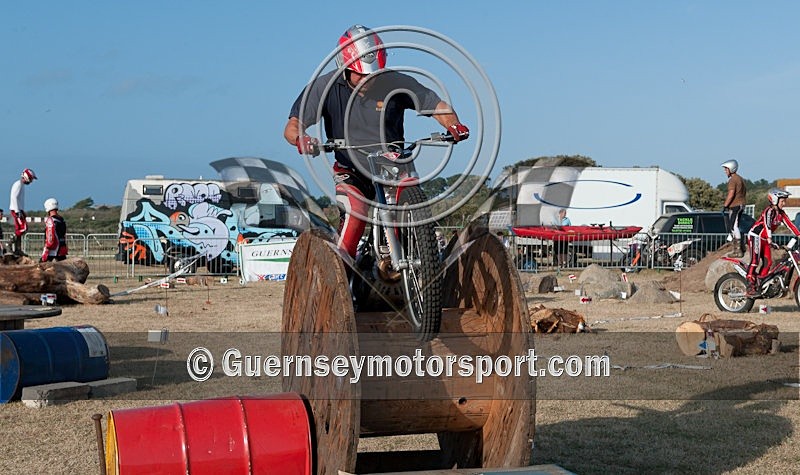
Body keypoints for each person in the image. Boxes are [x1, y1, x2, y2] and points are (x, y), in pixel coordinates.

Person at [284, 24, 469, 259]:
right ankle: (343, 274)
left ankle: (422, 265)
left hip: (393, 164)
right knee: (355, 215)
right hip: (351, 170)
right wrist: (302, 139)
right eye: (360, 74)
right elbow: (292, 126)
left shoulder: (396, 82)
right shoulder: (323, 87)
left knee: (415, 207)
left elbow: (437, 106)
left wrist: (453, 124)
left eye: (373, 73)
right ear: (345, 67)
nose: (367, 80)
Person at [745, 188, 800, 296]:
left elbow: (790, 225)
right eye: (782, 201)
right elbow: (767, 224)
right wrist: (770, 239)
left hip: (765, 240)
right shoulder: (769, 211)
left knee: (768, 263)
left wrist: (799, 234)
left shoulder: (781, 214)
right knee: (755, 261)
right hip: (756, 236)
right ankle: (750, 285)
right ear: (775, 200)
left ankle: (760, 283)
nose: (784, 203)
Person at [721, 159, 747, 257]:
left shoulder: (733, 180)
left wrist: (725, 205)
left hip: (735, 205)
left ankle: (738, 251)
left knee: (733, 226)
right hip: (741, 204)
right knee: (736, 225)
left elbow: (731, 194)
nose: (725, 171)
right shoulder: (740, 179)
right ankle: (740, 247)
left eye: (726, 169)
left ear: (731, 169)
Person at [9, 168, 37, 256]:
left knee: (21, 229)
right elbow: (14, 197)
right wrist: (17, 211)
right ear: (27, 177)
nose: (31, 181)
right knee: (22, 228)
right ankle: (9, 243)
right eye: (31, 178)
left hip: (19, 209)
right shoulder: (18, 184)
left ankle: (18, 249)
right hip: (16, 210)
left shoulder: (21, 185)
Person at [41, 198, 68, 262]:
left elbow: (50, 236)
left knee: (41, 267)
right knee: (64, 269)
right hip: (62, 248)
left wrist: (47, 248)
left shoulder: (51, 220)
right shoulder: (61, 220)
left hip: (53, 250)